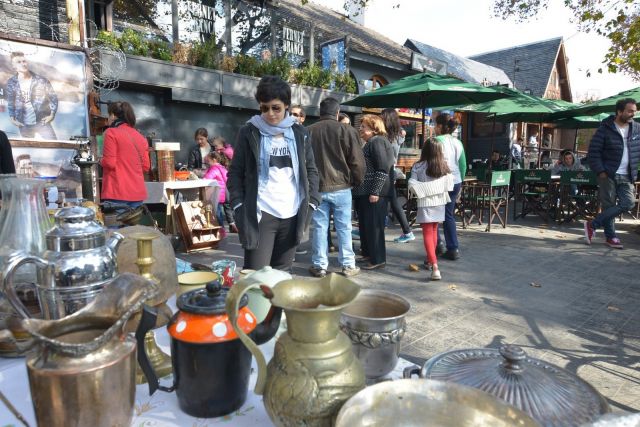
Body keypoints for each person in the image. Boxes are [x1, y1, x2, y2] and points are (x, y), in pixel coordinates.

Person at [227, 75, 320, 271]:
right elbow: (235, 172)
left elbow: (311, 170)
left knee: (282, 277)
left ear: (286, 105)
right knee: (256, 276)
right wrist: (238, 205)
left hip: (292, 214)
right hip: (260, 214)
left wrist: (312, 202)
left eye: (275, 108)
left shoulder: (300, 133)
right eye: (264, 108)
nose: (270, 114)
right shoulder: (249, 132)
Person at [307, 97, 365, 278]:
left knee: (319, 227)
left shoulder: (308, 131)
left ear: (320, 112)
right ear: (337, 112)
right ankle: (348, 265)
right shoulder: (347, 130)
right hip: (342, 186)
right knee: (344, 227)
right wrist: (356, 181)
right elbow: (357, 162)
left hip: (317, 187)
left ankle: (319, 266)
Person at [584, 98, 640, 249]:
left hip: (627, 175)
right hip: (608, 174)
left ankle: (592, 224)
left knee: (628, 203)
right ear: (619, 112)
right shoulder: (605, 128)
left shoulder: (637, 128)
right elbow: (593, 152)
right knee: (608, 205)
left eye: (634, 111)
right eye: (630, 111)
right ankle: (611, 237)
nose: (633, 114)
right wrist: (600, 170)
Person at [352, 114, 394, 270]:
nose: (360, 129)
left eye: (364, 127)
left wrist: (375, 191)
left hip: (375, 193)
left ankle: (378, 259)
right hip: (366, 192)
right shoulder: (372, 142)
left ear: (374, 129)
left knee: (374, 227)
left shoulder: (377, 141)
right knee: (366, 226)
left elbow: (382, 168)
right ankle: (369, 254)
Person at [408, 140, 454, 281]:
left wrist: (424, 190)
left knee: (428, 234)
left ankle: (435, 266)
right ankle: (430, 260)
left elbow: (412, 184)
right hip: (440, 202)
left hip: (425, 202)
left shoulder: (418, 166)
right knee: (434, 231)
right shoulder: (444, 165)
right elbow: (450, 184)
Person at [100, 101, 150, 209]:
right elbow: (146, 166)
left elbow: (109, 163)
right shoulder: (141, 137)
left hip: (117, 192)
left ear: (113, 116)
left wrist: (100, 160)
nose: (108, 118)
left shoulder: (111, 132)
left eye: (109, 115)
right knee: (133, 221)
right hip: (137, 194)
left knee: (115, 220)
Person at [434, 113, 466, 260]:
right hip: (456, 181)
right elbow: (463, 165)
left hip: (439, 181)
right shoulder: (458, 142)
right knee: (448, 215)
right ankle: (453, 248)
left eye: (435, 125)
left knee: (433, 214)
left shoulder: (435, 141)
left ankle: (438, 244)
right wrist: (461, 182)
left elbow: (430, 164)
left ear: (440, 126)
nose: (434, 128)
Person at [6, 52, 58, 140]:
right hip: (23, 124)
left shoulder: (41, 80)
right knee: (29, 147)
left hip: (42, 122)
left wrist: (52, 115)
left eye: (24, 61)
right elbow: (11, 101)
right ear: (14, 66)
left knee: (54, 145)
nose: (23, 64)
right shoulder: (12, 82)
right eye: (19, 62)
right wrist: (12, 118)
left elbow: (53, 97)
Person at [381, 108, 415, 244]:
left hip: (386, 171)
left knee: (390, 202)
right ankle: (406, 231)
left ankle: (407, 231)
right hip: (391, 171)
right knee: (390, 201)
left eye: (382, 117)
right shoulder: (397, 135)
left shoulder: (388, 137)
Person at [203, 151, 229, 230]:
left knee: (216, 214)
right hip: (221, 193)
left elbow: (207, 178)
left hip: (215, 194)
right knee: (219, 213)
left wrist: (201, 178)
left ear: (214, 160)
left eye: (208, 161)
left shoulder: (214, 168)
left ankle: (221, 230)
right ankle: (221, 229)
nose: (207, 163)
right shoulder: (221, 167)